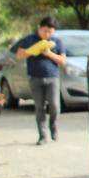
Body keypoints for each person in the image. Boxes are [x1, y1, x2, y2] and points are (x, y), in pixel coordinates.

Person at [14, 16, 66, 145]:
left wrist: (49, 54)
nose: (47, 34)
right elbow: (19, 55)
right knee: (39, 107)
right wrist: (33, 51)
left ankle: (53, 126)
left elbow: (63, 61)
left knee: (54, 106)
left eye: (50, 32)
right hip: (35, 78)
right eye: (45, 31)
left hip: (52, 77)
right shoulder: (29, 39)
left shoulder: (57, 42)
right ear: (39, 28)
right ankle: (42, 136)